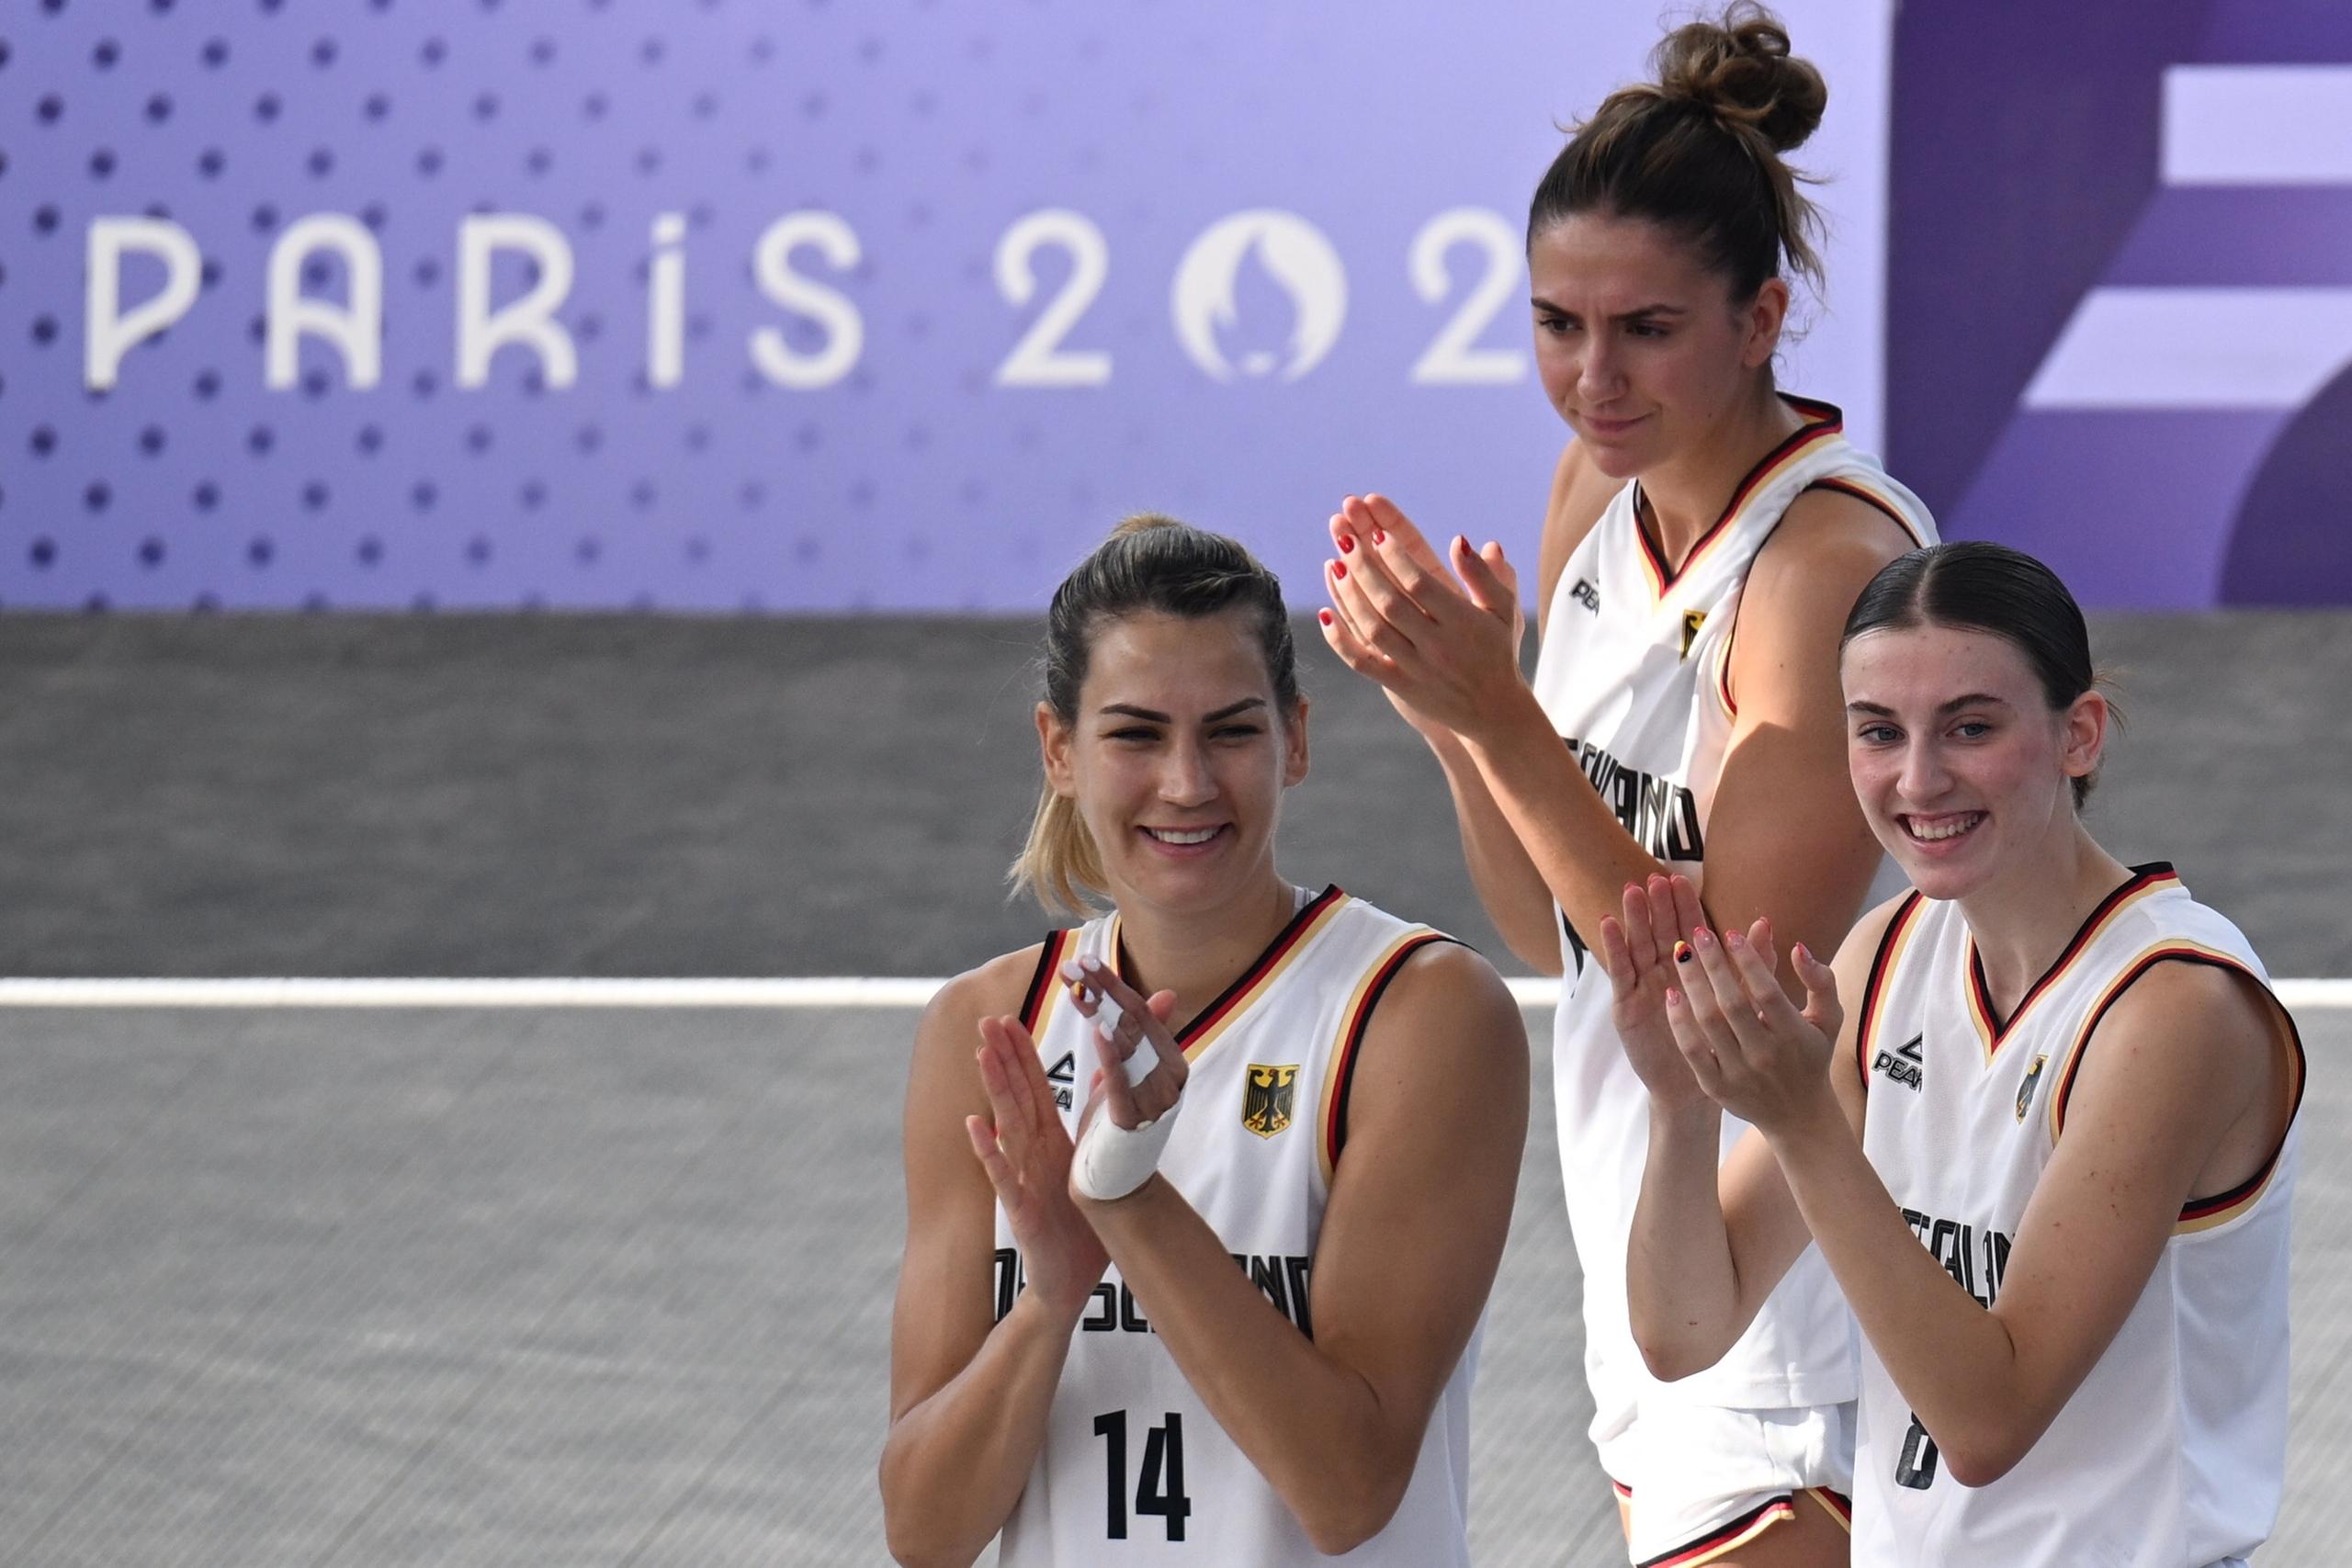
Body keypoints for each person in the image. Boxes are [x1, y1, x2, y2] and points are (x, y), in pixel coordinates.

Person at [1318, 6, 1933, 1562]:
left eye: (1647, 327)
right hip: (1648, 1275)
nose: (1593, 377)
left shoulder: (1823, 567)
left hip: (1811, 1297)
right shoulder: (1602, 485)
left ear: (1762, 316)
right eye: (1556, 324)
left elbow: (1719, 1008)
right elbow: (1553, 930)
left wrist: (1500, 714)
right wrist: (1454, 718)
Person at [1611, 541, 2301, 1565]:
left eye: (1969, 727)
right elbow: (1684, 1332)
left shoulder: (2173, 1007)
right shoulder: (1890, 955)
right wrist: (1679, 1103)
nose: (1918, 778)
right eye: (1877, 732)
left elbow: (1987, 1423)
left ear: (2079, 734)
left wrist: (1803, 1124)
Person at [880, 515, 1528, 1567]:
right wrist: (1050, 1297)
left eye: (1230, 731)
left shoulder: (1417, 1014)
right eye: (1136, 734)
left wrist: (1127, 1193)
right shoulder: (984, 1029)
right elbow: (925, 1528)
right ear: (1058, 749)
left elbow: (1347, 1488)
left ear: (1297, 739)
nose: (1186, 782)